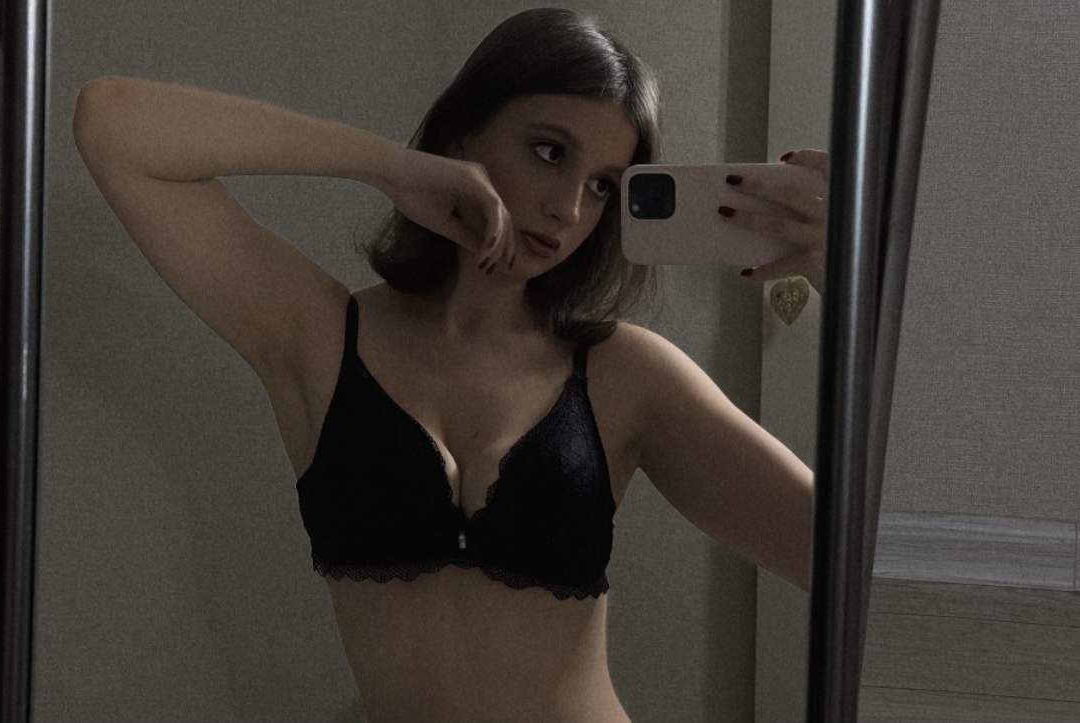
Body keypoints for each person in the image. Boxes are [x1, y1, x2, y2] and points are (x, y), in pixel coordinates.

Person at [72, 7, 823, 722]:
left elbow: (837, 554)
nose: (568, 208)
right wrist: (390, 167)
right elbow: (111, 125)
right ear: (465, 132)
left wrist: (846, 275)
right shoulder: (320, 337)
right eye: (550, 152)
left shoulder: (627, 374)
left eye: (602, 185)